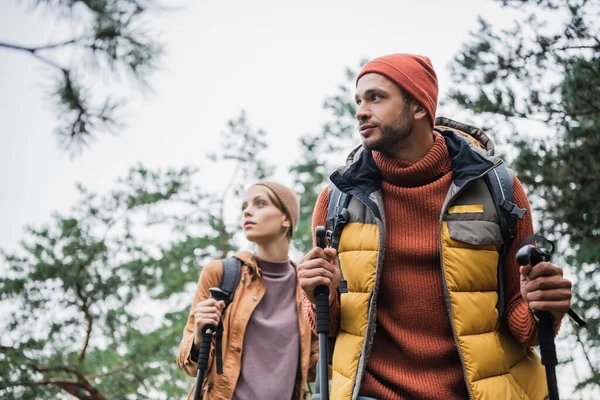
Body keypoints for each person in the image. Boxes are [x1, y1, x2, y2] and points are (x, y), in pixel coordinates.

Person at [298, 53, 573, 400]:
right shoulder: (337, 200)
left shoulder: (498, 188)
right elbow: (330, 324)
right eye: (358, 101)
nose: (360, 111)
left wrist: (542, 308)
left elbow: (523, 324)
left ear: (418, 107)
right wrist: (314, 295)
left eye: (376, 98)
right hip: (372, 392)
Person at [177, 181, 318, 400]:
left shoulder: (307, 287)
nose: (248, 211)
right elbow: (189, 365)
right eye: (244, 207)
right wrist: (198, 338)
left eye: (260, 203)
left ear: (286, 218)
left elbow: (316, 367)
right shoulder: (220, 274)